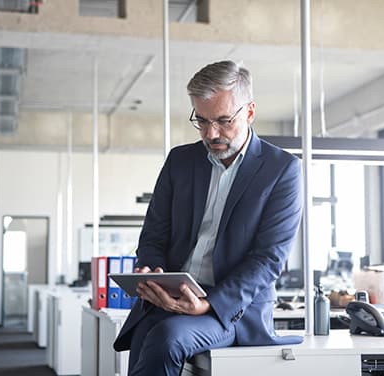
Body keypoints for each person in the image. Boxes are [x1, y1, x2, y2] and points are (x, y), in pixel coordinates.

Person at [113, 60, 304, 376]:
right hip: (169, 298)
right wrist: (153, 271)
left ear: (250, 112)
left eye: (223, 120)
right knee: (146, 333)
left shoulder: (281, 170)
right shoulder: (180, 161)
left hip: (230, 311)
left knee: (166, 337)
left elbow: (269, 259)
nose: (211, 133)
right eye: (201, 121)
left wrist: (209, 304)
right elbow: (153, 235)